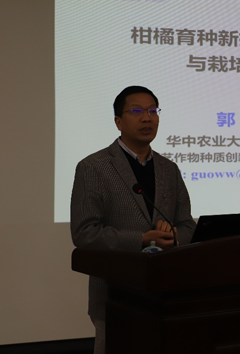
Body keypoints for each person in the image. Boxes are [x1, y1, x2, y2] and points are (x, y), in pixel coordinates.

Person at [70, 86, 195, 354]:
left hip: (166, 296)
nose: (147, 118)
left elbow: (187, 225)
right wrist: (141, 239)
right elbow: (84, 233)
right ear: (118, 121)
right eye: (136, 111)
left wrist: (174, 235)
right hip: (115, 296)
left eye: (152, 111)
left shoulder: (169, 169)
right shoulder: (93, 167)